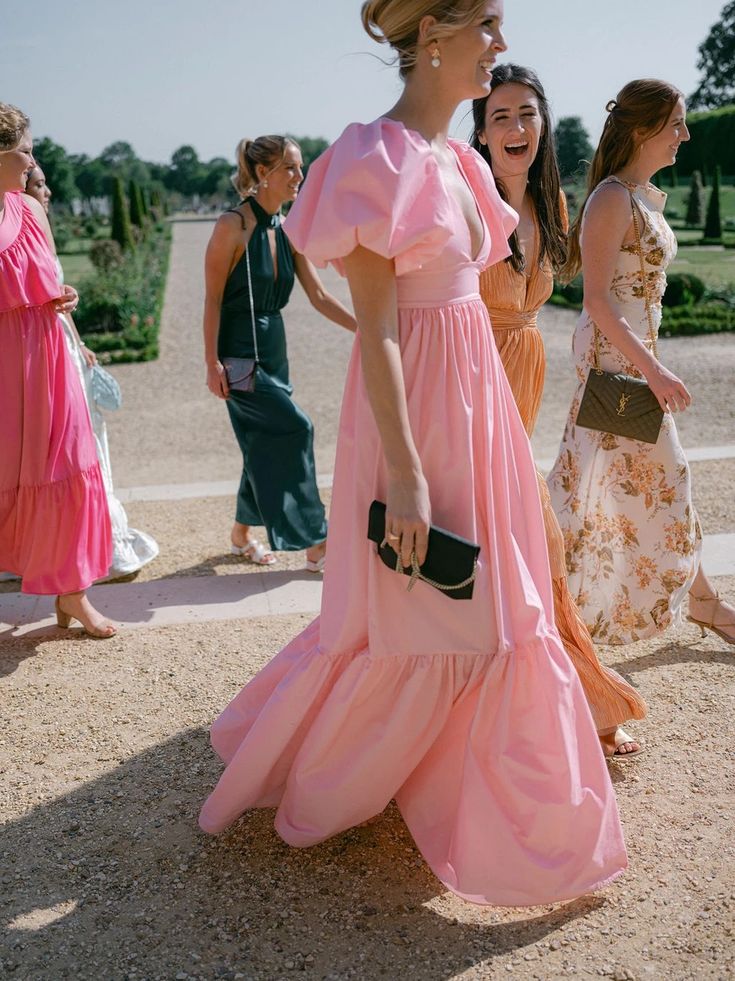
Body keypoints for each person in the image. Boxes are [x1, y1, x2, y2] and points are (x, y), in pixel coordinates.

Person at [199, 1, 627, 907]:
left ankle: (504, 799)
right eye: (488, 26)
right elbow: (380, 334)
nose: (501, 46)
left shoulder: (462, 159)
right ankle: (373, 777)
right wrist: (403, 472)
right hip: (418, 410)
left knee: (501, 603)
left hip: (476, 394)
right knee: (434, 603)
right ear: (432, 33)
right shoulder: (370, 157)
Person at [471, 64, 647, 758]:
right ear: (481, 134)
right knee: (518, 542)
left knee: (523, 543)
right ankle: (550, 705)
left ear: (543, 125)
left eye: (526, 114)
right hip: (471, 372)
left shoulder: (553, 204)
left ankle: (569, 698)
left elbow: (592, 297)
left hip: (526, 370)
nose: (515, 128)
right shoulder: (468, 201)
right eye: (500, 117)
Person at [547, 79, 735, 648]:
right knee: (612, 490)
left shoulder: (634, 193)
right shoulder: (610, 197)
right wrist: (653, 372)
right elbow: (597, 302)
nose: (684, 134)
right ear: (641, 128)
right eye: (676, 123)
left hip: (630, 364)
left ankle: (703, 603)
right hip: (617, 373)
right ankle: (550, 613)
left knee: (597, 489)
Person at [203, 135, 356, 570]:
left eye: (300, 167)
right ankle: (316, 542)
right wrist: (210, 362)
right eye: (290, 167)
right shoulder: (231, 226)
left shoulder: (287, 228)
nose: (299, 176)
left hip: (274, 349)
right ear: (263, 173)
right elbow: (212, 299)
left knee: (262, 441)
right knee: (296, 428)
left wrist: (365, 330)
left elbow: (320, 296)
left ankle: (239, 535)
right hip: (237, 357)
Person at [0, 104, 115, 637]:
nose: (33, 159)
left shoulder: (31, 209)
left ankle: (73, 595)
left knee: (69, 465)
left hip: (46, 361)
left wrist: (59, 294)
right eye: (27, 148)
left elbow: (43, 279)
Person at [23, 164, 159, 581]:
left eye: (45, 183)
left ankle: (95, 537)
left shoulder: (37, 224)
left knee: (88, 441)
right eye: (39, 184)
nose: (47, 192)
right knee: (74, 447)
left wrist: (80, 341)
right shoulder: (24, 221)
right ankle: (90, 545)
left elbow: (54, 299)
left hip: (64, 342)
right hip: (41, 354)